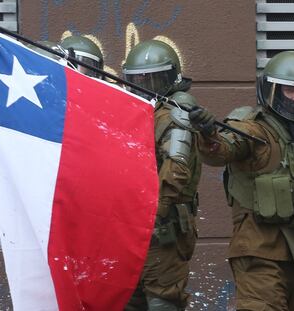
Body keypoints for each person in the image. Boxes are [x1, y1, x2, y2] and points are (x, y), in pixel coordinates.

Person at [188, 50, 294, 310]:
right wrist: (208, 134)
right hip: (260, 255)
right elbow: (221, 149)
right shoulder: (253, 129)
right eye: (290, 90)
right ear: (272, 89)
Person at [122, 40, 202, 311]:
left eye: (153, 79)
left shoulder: (176, 115)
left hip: (162, 228)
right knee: (126, 299)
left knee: (162, 301)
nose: (145, 85)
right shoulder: (133, 113)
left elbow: (176, 169)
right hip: (130, 228)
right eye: (138, 79)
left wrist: (153, 214)